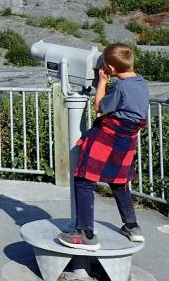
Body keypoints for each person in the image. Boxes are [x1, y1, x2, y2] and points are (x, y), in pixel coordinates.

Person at [58, 43, 149, 251]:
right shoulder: (141, 82)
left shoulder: (120, 87)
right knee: (119, 182)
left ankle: (85, 234)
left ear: (110, 68)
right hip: (127, 141)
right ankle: (132, 226)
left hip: (107, 138)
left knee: (84, 180)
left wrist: (102, 82)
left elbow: (99, 106)